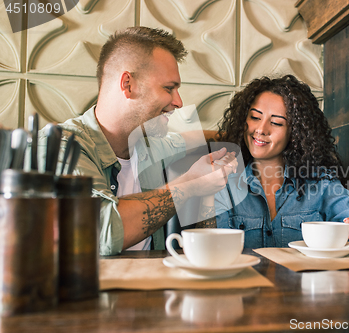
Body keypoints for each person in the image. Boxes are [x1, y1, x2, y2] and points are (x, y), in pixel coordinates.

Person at [38, 27, 236, 255]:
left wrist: (244, 134)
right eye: (169, 88)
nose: (179, 102)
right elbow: (103, 230)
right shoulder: (60, 148)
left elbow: (190, 139)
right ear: (127, 84)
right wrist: (191, 184)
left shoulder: (149, 146)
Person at [212, 75, 349, 248]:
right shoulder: (222, 182)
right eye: (254, 117)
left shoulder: (320, 183)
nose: (261, 129)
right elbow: (212, 250)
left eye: (276, 122)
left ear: (295, 133)